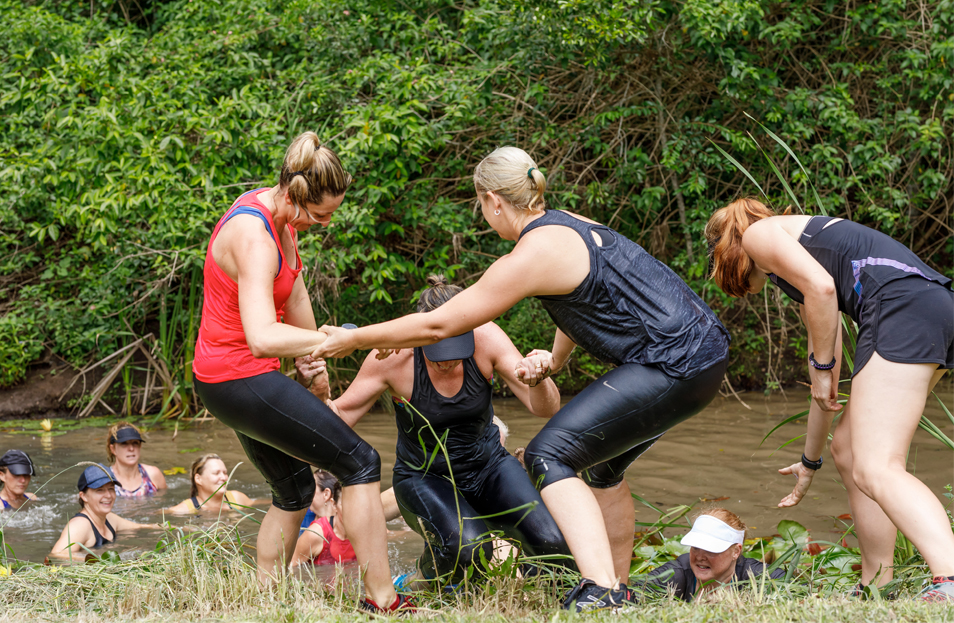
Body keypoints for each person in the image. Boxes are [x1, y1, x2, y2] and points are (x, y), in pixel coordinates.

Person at [314, 148, 730, 610]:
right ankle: (618, 586)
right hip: (705, 350)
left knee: (549, 453)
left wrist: (354, 339)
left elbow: (438, 325)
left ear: (492, 200)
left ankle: (601, 591)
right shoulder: (567, 224)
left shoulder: (529, 254)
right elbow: (579, 301)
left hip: (671, 359)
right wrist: (553, 359)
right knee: (603, 469)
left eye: (482, 207)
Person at [191, 131, 407, 612]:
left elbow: (296, 296)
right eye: (322, 214)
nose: (326, 223)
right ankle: (383, 601)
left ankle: (266, 603)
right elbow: (263, 337)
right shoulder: (254, 236)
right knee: (362, 463)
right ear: (294, 194)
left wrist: (317, 369)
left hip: (235, 377)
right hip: (237, 376)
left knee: (294, 491)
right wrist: (341, 339)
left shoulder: (282, 221)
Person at [704, 198, 953, 600]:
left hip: (901, 308)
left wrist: (821, 370)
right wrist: (809, 462)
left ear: (726, 248)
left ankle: (949, 577)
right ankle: (875, 585)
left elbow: (821, 298)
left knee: (878, 467)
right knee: (850, 450)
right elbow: (826, 388)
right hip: (926, 307)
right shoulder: (806, 270)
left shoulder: (759, 234)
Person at [300, 275, 572, 589]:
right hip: (422, 478)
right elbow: (336, 421)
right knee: (470, 549)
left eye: (457, 348)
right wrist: (319, 392)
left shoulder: (487, 338)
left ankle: (547, 600)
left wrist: (540, 378)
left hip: (488, 468)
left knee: (554, 543)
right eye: (438, 352)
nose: (449, 361)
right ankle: (419, 582)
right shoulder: (392, 357)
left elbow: (545, 408)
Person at [633, 508, 784, 601]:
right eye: (696, 547)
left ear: (736, 551)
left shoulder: (756, 575)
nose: (700, 556)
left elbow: (799, 590)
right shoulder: (677, 572)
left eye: (711, 550)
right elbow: (632, 595)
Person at [49, 464, 159, 560]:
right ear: (84, 496)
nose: (108, 495)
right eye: (100, 490)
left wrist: (165, 526)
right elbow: (57, 554)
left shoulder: (109, 518)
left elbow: (139, 527)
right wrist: (99, 559)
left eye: (111, 489)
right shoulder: (80, 525)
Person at [291, 470, 357, 567]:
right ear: (334, 504)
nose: (353, 511)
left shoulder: (368, 530)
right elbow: (289, 570)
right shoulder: (314, 533)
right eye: (345, 505)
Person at [166, 454, 256, 515]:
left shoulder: (237, 498)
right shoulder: (184, 509)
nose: (224, 478)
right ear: (198, 479)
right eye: (216, 473)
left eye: (225, 473)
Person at [105, 422, 167, 497]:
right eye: (124, 443)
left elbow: (165, 503)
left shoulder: (153, 475)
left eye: (135, 443)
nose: (131, 448)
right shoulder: (104, 479)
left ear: (140, 446)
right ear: (113, 449)